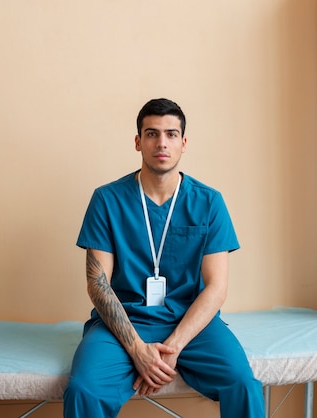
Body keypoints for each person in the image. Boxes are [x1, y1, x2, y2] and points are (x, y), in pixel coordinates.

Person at [63, 98, 265, 418]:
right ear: (138, 141)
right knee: (83, 390)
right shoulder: (107, 200)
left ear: (184, 143)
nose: (162, 143)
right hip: (123, 321)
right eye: (152, 133)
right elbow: (98, 284)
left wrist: (173, 347)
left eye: (171, 134)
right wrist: (137, 350)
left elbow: (216, 287)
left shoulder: (210, 202)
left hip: (190, 322)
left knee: (243, 384)